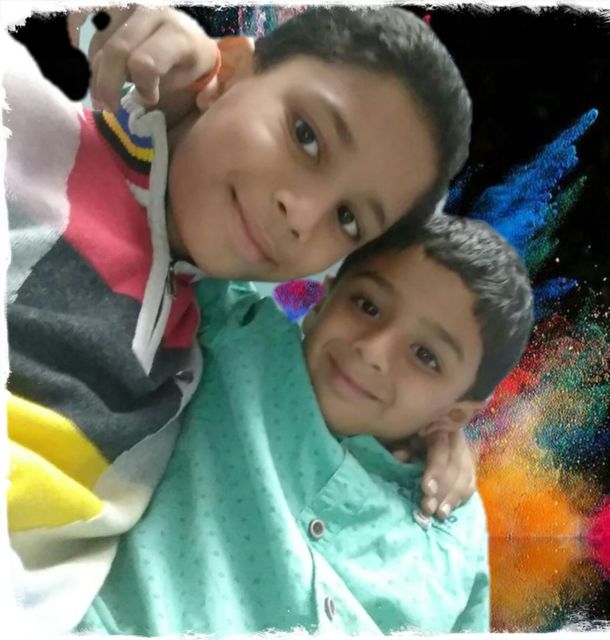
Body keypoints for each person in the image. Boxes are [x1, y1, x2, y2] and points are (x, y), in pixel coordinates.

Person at [4, 5, 475, 633]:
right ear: (228, 71)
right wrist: (117, 36)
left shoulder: (220, 342)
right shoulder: (38, 142)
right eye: (306, 136)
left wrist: (435, 426)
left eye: (347, 219)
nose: (300, 215)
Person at [77, 213, 534, 637]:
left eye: (425, 356)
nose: (373, 350)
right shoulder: (244, 340)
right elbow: (174, 216)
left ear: (454, 413)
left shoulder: (455, 532)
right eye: (367, 306)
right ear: (322, 302)